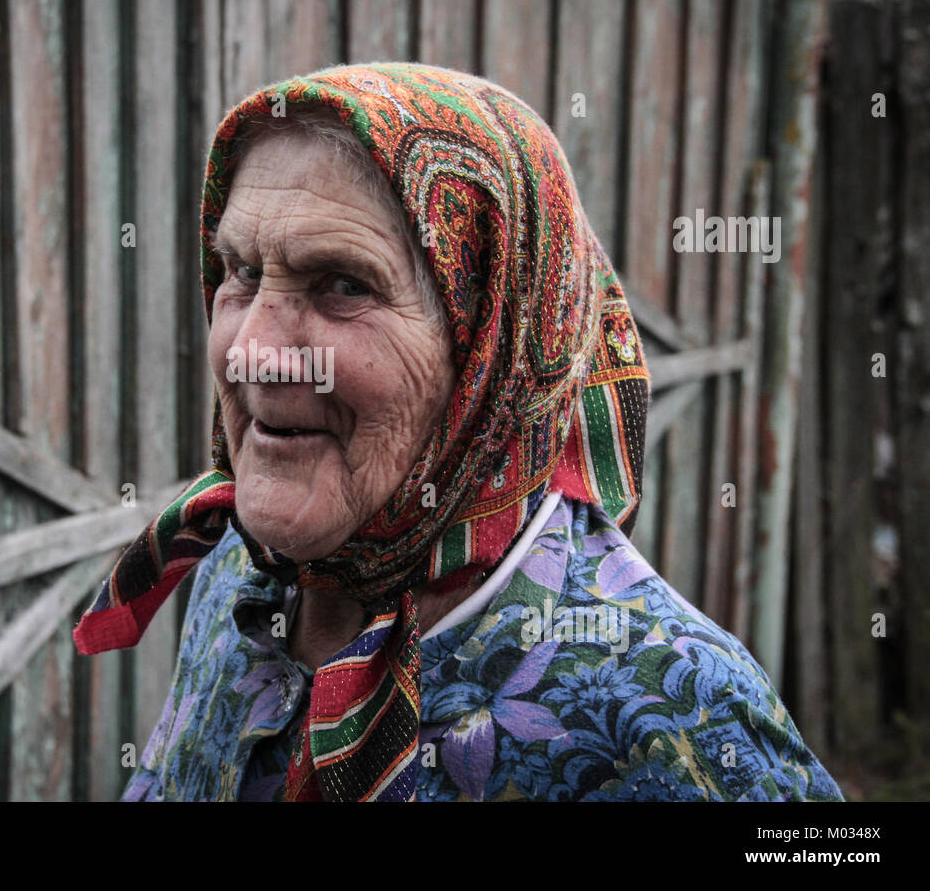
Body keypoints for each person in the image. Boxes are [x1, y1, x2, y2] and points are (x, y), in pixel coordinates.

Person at [73, 63, 842, 802]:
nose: (250, 352)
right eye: (239, 272)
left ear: (492, 350)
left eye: (343, 285)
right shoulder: (237, 574)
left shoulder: (677, 718)